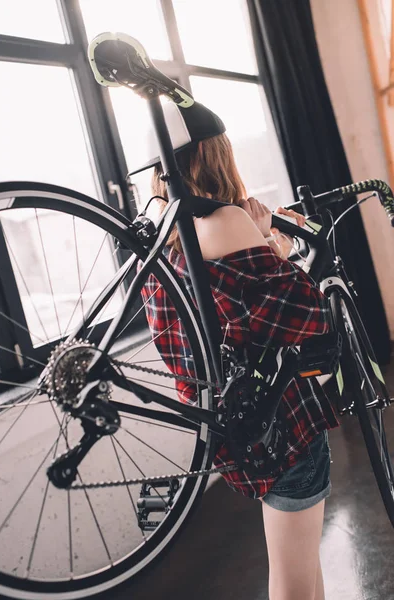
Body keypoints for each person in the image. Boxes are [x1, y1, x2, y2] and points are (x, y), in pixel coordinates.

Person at [132, 100, 339, 600]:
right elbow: (305, 323)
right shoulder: (227, 221)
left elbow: (224, 320)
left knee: (304, 573)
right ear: (216, 156)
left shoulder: (158, 229)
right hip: (286, 426)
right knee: (294, 584)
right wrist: (271, 242)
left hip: (230, 430)